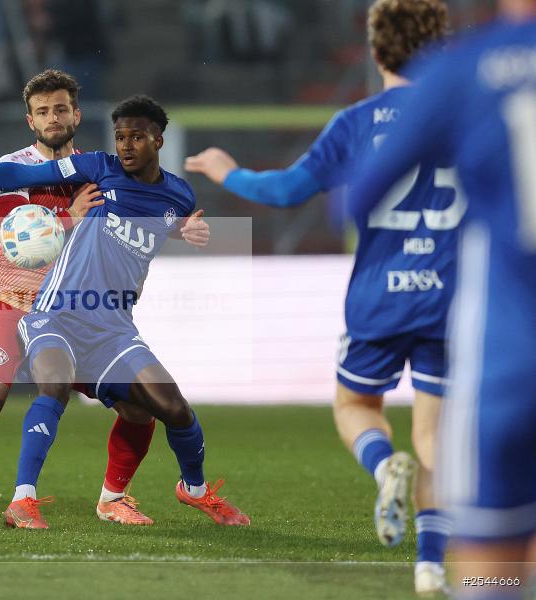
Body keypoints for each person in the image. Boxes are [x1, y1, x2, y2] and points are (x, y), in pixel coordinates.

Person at [184, 1, 454, 594]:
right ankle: (431, 566)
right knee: (436, 437)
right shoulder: (467, 117)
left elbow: (286, 191)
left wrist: (228, 172)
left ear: (375, 51)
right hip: (450, 300)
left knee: (355, 405)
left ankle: (384, 467)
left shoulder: (357, 123)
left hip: (380, 300)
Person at [0, 72, 210, 528]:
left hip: (75, 314)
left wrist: (181, 228)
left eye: (61, 109)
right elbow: (16, 244)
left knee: (138, 408)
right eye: (43, 111)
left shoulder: (99, 169)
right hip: (13, 302)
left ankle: (113, 499)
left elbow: (144, 214)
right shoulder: (15, 166)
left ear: (76, 115)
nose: (53, 118)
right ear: (30, 120)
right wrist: (70, 216)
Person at [350, 0, 536, 595]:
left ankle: (450, 567)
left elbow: (355, 198)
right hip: (461, 327)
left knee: (491, 571)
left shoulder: (465, 69)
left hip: (509, 356)